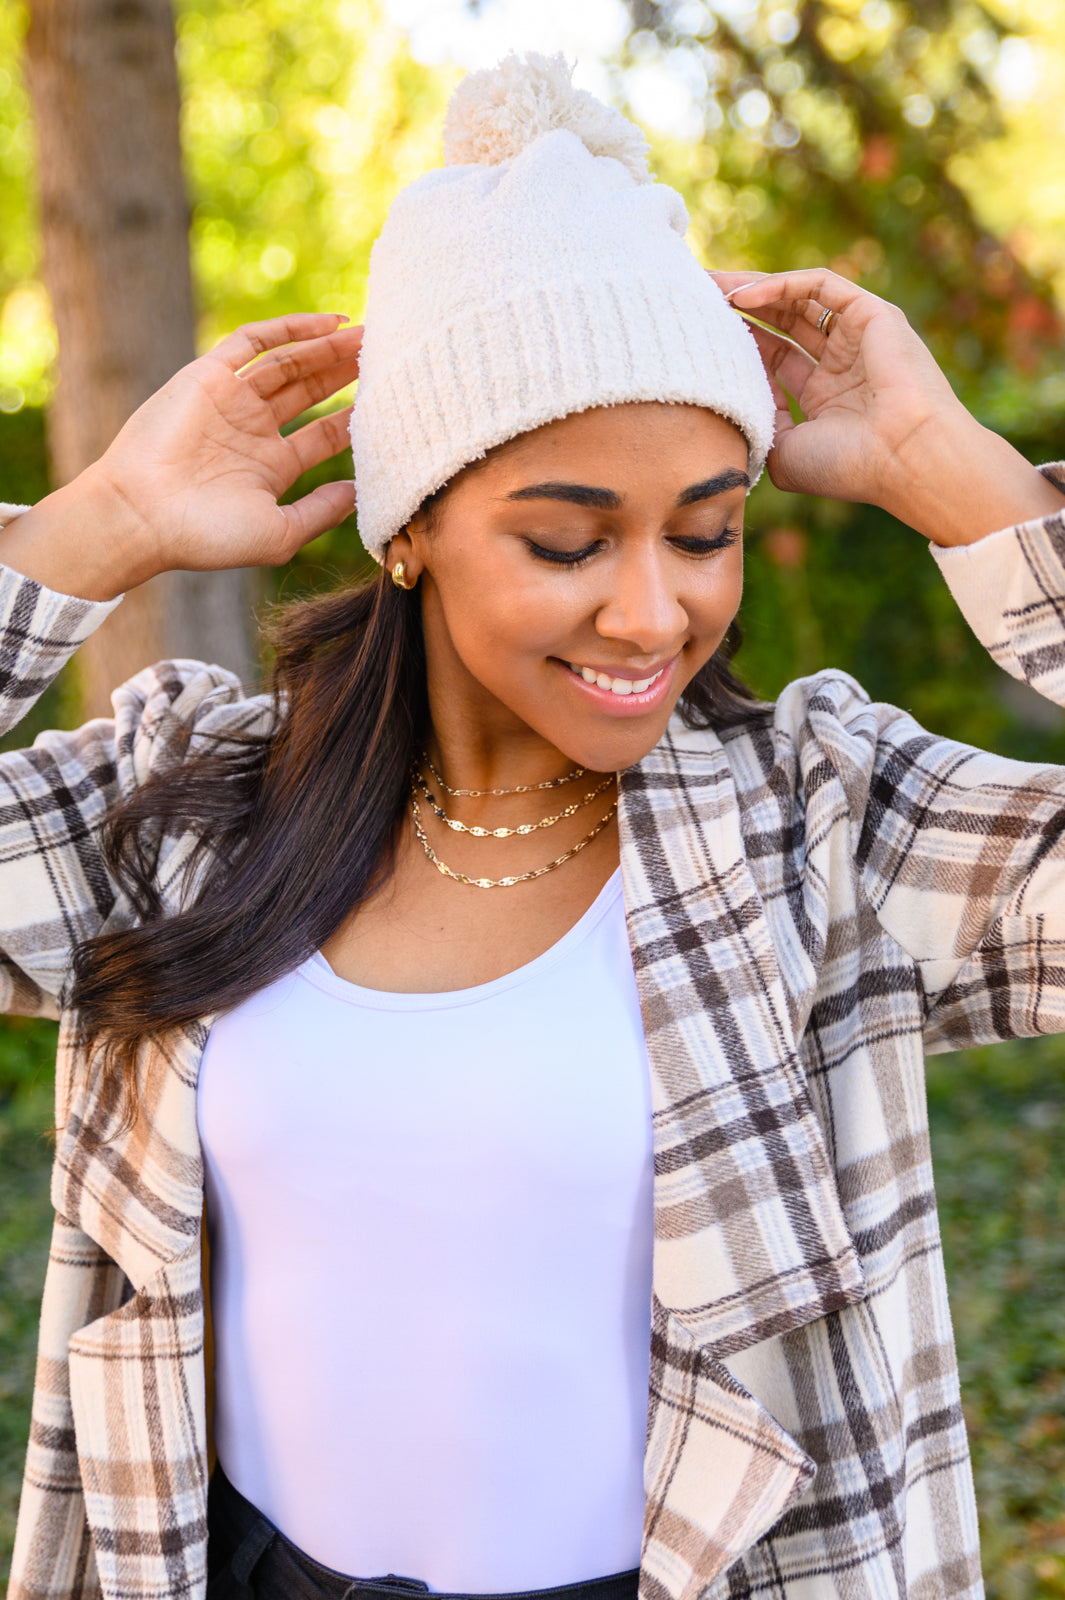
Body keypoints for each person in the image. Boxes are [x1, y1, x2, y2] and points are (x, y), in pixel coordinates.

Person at [2, 49, 1064, 1600]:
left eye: (708, 532)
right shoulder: (190, 816)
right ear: (413, 528)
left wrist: (964, 488)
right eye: (568, 540)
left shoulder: (827, 828)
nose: (654, 610)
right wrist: (94, 532)